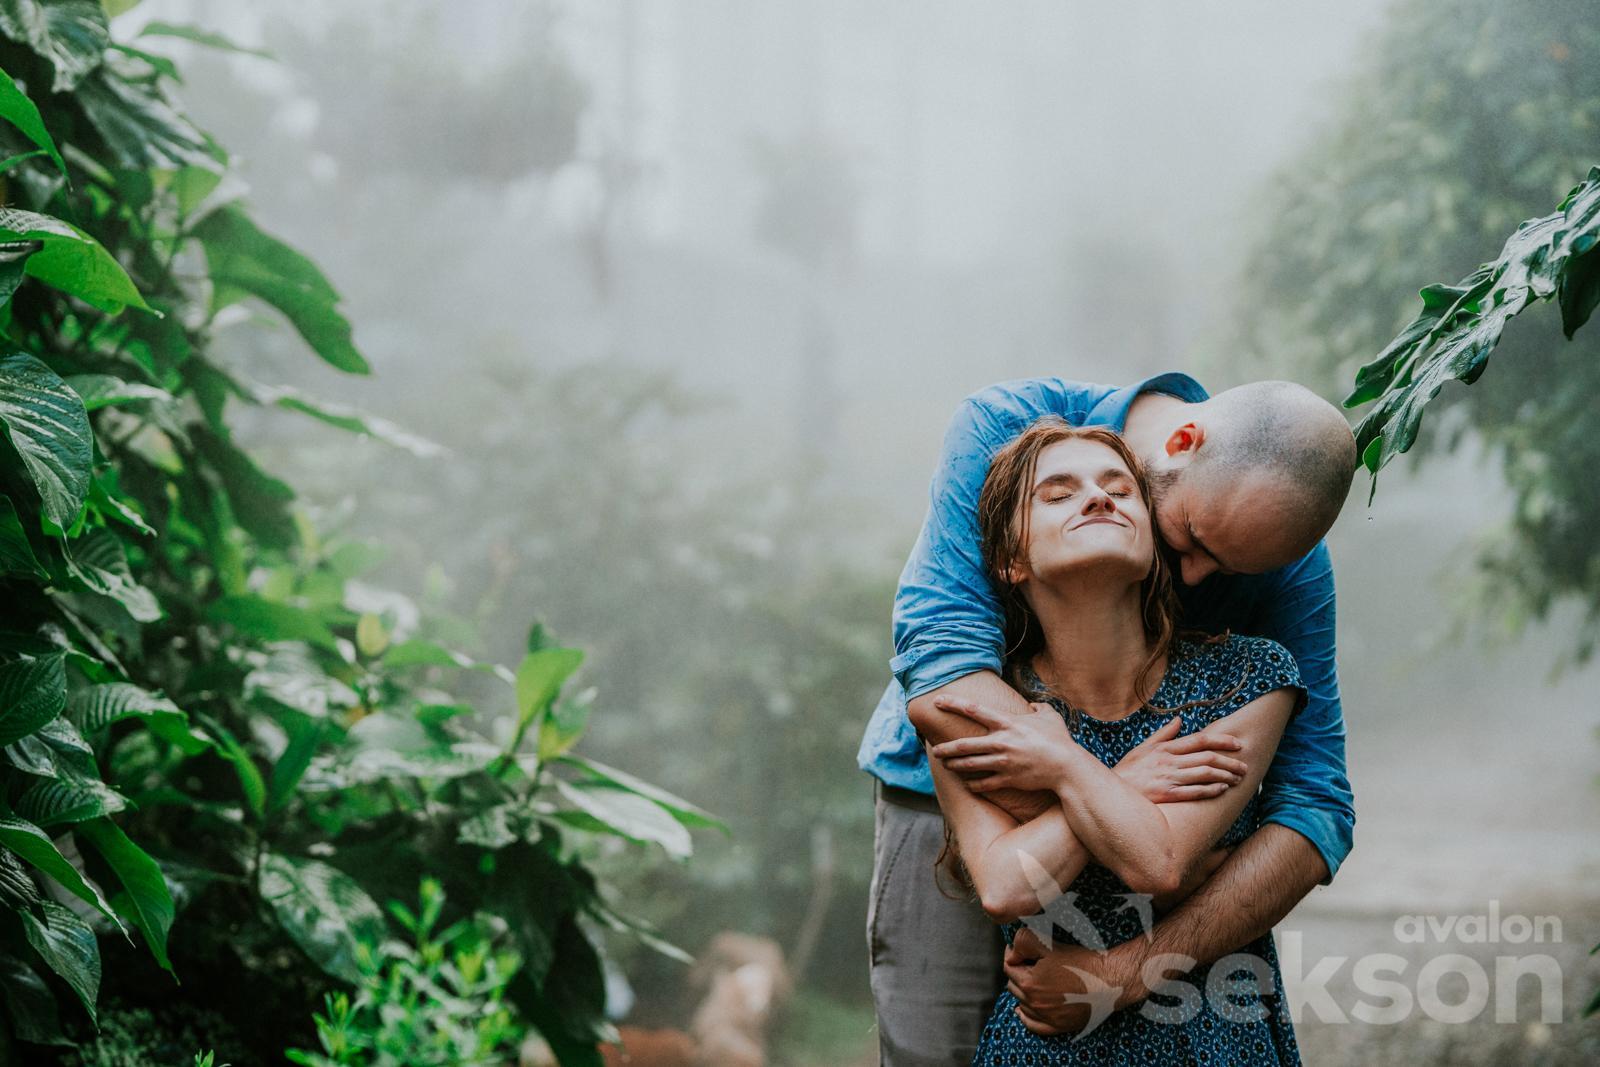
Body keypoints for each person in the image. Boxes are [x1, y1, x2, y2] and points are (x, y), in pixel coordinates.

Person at [859, 373, 1356, 1066]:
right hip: (954, 795)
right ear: (1181, 442)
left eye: (1227, 567)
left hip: (1171, 837)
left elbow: (1315, 804)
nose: (1192, 580)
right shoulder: (1001, 425)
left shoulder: (1277, 567)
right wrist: (1132, 815)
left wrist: (1125, 969)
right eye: (1188, 538)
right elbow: (947, 674)